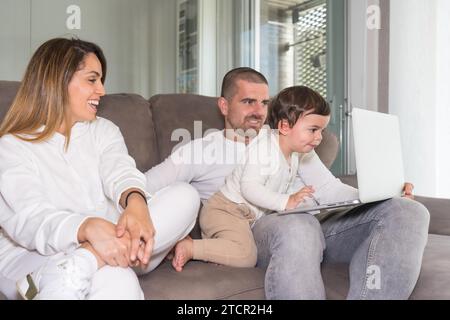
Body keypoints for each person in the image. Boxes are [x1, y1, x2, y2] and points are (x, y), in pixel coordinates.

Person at [145, 67, 430, 300]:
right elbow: (143, 186)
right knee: (299, 224)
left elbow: (329, 190)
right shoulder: (199, 149)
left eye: (264, 102)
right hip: (254, 228)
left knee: (407, 211)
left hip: (311, 226)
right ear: (224, 105)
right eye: (248, 102)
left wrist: (380, 193)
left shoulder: (291, 140)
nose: (259, 110)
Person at [0, 38, 200, 300]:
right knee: (118, 279)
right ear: (57, 81)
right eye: (92, 80)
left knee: (185, 195)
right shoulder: (12, 146)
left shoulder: (104, 130)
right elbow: (30, 219)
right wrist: (86, 227)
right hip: (34, 255)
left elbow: (120, 171)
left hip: (112, 242)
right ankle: (80, 264)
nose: (102, 90)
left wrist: (136, 202)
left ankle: (85, 261)